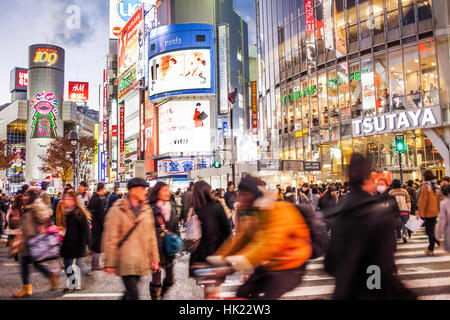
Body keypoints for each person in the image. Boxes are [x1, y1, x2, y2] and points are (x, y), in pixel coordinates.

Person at [324, 153, 416, 299]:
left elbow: (330, 264)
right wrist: (373, 286)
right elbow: (382, 264)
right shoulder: (378, 214)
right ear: (367, 180)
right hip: (370, 291)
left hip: (343, 292)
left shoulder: (339, 212)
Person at [207, 175, 312, 300]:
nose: (240, 198)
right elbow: (240, 241)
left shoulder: (276, 210)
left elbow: (267, 245)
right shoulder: (252, 213)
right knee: (243, 292)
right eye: (239, 194)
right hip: (271, 264)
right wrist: (218, 260)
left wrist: (232, 265)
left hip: (291, 266)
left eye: (243, 194)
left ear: (252, 195)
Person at [103, 178, 160, 300]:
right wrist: (109, 262)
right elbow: (110, 237)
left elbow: (151, 237)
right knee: (134, 294)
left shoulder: (146, 210)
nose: (145, 192)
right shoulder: (117, 208)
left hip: (141, 258)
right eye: (142, 189)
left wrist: (155, 259)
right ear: (133, 190)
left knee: (129, 293)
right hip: (125, 259)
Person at [12, 189, 58, 298]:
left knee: (26, 264)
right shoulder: (27, 208)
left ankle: (28, 288)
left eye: (26, 196)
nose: (23, 197)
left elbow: (43, 221)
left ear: (30, 197)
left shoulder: (33, 209)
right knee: (31, 264)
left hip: (32, 242)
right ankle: (48, 278)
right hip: (28, 242)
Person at [189, 182, 231, 278]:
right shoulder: (216, 206)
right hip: (217, 252)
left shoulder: (195, 209)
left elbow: (190, 233)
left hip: (200, 255)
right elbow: (227, 229)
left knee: (207, 286)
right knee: (215, 286)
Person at [148, 182, 180, 300]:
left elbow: (175, 224)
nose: (168, 192)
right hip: (156, 246)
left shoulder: (172, 204)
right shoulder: (150, 207)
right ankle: (156, 297)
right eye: (165, 190)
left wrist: (178, 239)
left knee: (170, 279)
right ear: (157, 192)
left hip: (168, 246)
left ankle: (161, 294)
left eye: (168, 190)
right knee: (156, 278)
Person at [60, 190, 92, 293]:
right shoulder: (68, 211)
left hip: (78, 243)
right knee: (68, 265)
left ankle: (74, 283)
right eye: (64, 198)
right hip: (69, 243)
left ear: (73, 200)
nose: (65, 200)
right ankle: (74, 283)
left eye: (68, 198)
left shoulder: (78, 212)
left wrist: (89, 244)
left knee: (75, 265)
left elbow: (86, 229)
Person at [417, 170, 444, 256]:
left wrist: (419, 212)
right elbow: (440, 198)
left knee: (429, 231)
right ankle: (430, 249)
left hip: (428, 212)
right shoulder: (435, 185)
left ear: (425, 176)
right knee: (431, 230)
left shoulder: (426, 186)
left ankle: (437, 241)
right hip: (435, 211)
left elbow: (423, 200)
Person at [87, 182, 106, 271]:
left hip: (94, 224)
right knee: (98, 246)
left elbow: (89, 209)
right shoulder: (98, 199)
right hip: (98, 225)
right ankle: (95, 264)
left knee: (96, 245)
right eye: (104, 189)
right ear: (101, 189)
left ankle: (95, 263)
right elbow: (101, 215)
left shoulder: (94, 197)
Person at [389, 179, 411, 243]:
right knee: (405, 223)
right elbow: (408, 201)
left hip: (394, 211)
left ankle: (398, 236)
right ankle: (404, 234)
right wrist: (409, 209)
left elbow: (389, 203)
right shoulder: (404, 191)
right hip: (404, 210)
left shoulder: (391, 192)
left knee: (396, 224)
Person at [5, 194, 24, 261]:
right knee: (20, 241)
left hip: (12, 227)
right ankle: (20, 254)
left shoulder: (12, 207)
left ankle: (15, 255)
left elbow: (7, 216)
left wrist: (9, 224)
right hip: (20, 227)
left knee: (14, 241)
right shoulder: (22, 208)